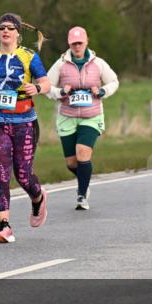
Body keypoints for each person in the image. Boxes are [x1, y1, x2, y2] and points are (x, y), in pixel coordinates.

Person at [0, 13, 50, 242]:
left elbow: (46, 82)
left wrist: (37, 88)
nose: (5, 31)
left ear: (18, 33)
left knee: (23, 175)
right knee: (0, 174)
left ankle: (38, 198)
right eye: (1, 27)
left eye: (10, 27)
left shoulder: (29, 57)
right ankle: (4, 227)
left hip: (24, 122)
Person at [47, 26, 120, 210]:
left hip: (92, 116)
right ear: (69, 44)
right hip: (67, 116)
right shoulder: (61, 64)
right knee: (71, 162)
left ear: (86, 42)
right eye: (74, 44)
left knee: (82, 152)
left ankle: (81, 196)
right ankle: (84, 182)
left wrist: (102, 91)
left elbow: (114, 81)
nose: (77, 47)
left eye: (80, 43)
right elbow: (47, 87)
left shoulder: (98, 63)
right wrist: (61, 92)